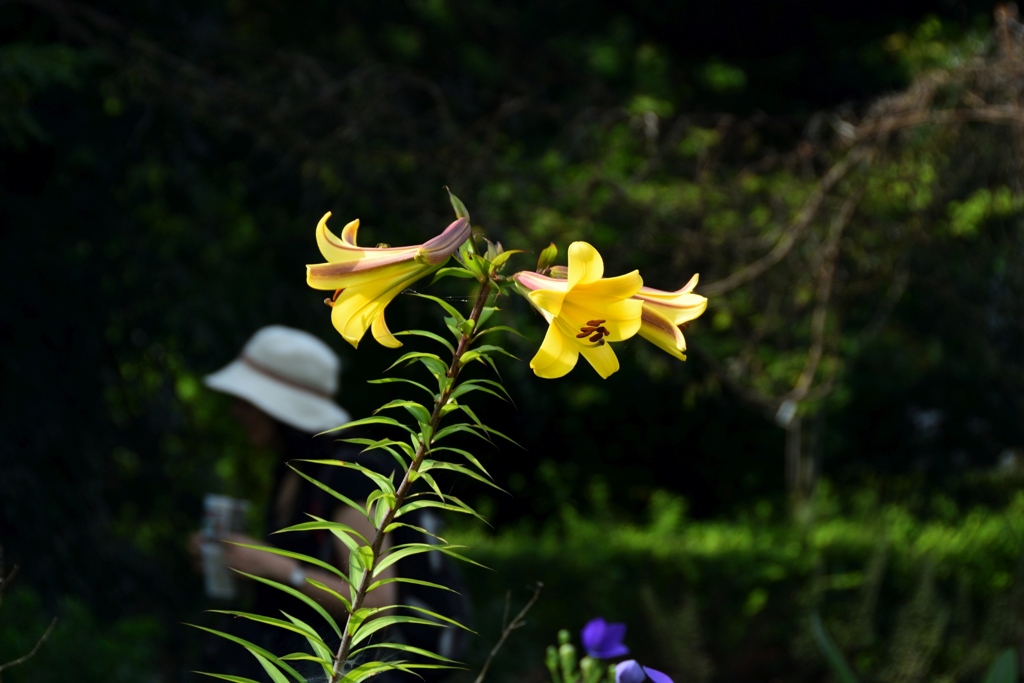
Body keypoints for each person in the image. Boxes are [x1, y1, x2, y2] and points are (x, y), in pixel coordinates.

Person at [191, 325, 468, 681]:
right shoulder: (296, 471)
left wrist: (274, 566)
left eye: (246, 401)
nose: (236, 412)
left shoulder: (348, 475)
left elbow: (377, 604)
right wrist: (236, 560)